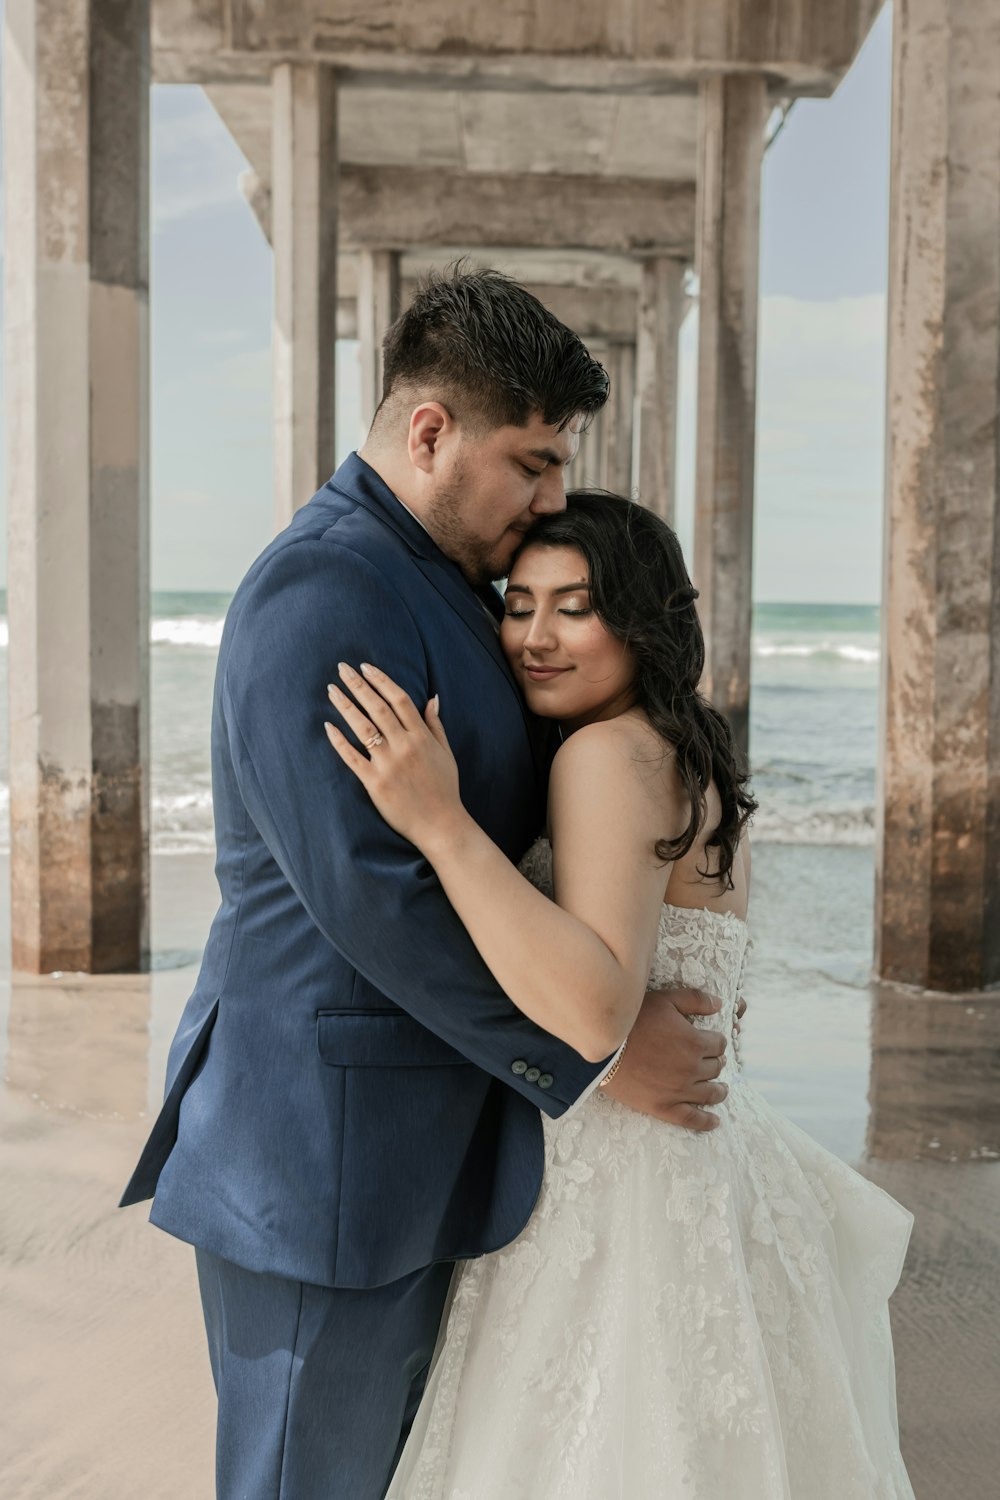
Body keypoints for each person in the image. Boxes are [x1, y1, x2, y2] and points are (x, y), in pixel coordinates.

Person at [119, 268, 736, 1500]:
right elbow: (372, 895)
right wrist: (595, 1057)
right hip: (323, 1163)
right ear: (429, 432)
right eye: (532, 462)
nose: (554, 496)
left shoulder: (437, 569)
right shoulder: (327, 589)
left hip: (411, 1146)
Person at [326, 489, 916, 1499]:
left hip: (620, 1180)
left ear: (640, 619)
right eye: (518, 605)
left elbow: (597, 1006)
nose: (535, 638)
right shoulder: (678, 748)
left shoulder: (603, 756)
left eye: (575, 607)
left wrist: (438, 823)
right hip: (702, 1162)